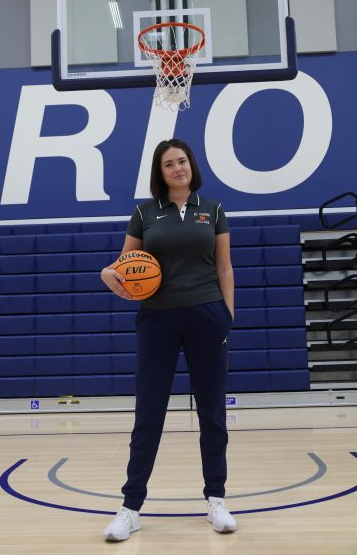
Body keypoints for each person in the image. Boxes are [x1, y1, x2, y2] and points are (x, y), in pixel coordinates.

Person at [100, 138, 236, 541]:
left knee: (212, 412)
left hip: (208, 316)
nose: (178, 168)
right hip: (157, 320)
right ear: (160, 173)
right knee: (149, 414)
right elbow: (123, 266)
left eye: (182, 161)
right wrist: (106, 275)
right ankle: (131, 508)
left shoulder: (213, 210)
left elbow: (225, 268)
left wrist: (227, 316)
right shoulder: (144, 212)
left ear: (191, 165)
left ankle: (217, 499)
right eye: (169, 164)